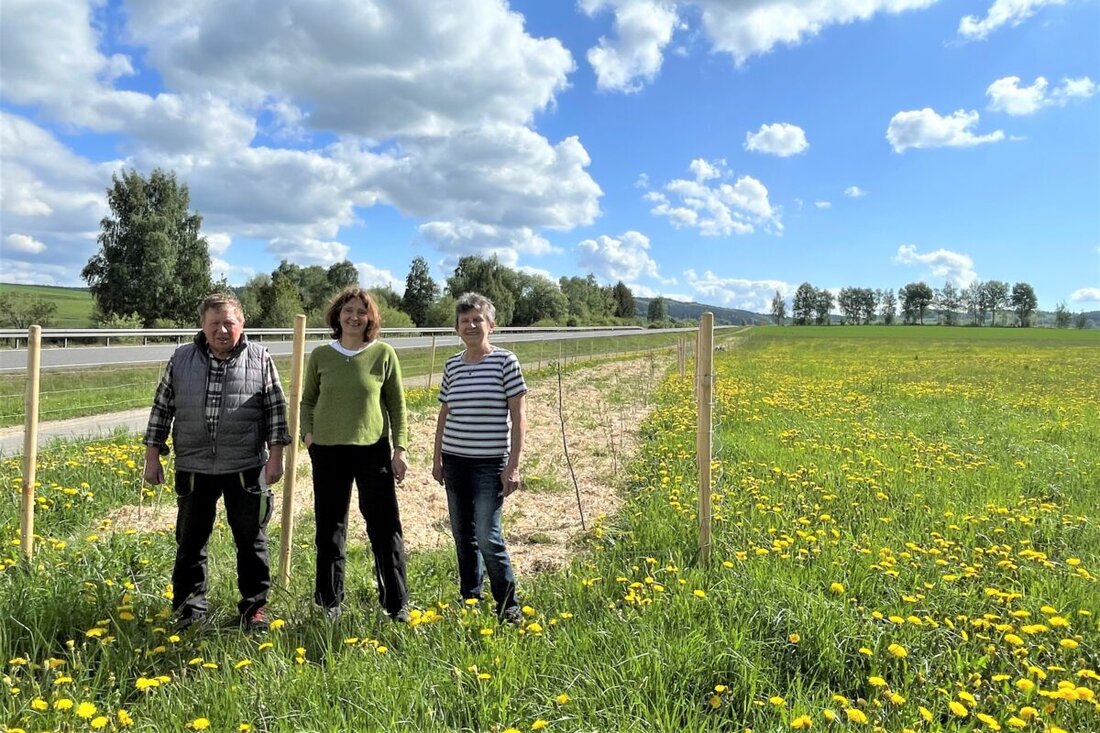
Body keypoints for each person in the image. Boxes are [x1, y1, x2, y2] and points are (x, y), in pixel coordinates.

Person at [143, 293, 290, 631]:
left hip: (245, 466)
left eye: (229, 323)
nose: (222, 330)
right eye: (215, 324)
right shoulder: (181, 359)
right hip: (193, 466)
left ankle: (254, 610)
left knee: (251, 541)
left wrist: (276, 457)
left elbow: (276, 411)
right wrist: (153, 456)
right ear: (203, 326)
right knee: (191, 541)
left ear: (242, 324)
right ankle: (189, 610)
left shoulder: (260, 358)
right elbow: (161, 409)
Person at [300, 287, 409, 622]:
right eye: (348, 310)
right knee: (329, 528)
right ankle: (329, 602)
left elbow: (397, 405)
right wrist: (308, 437)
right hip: (328, 451)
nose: (354, 317)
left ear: (370, 317)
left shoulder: (383, 354)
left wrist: (400, 448)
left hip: (372, 450)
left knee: (384, 526)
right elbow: (307, 400)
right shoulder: (321, 355)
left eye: (361, 311)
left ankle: (396, 604)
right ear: (337, 315)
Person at [432, 292, 527, 624]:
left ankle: (508, 606)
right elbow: (445, 413)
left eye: (477, 319)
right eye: (464, 320)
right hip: (454, 460)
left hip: (490, 464)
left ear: (491, 325)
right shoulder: (452, 365)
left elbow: (518, 416)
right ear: (457, 328)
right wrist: (437, 458)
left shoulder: (505, 362)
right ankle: (470, 596)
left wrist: (513, 465)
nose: (471, 325)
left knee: (488, 535)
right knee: (462, 535)